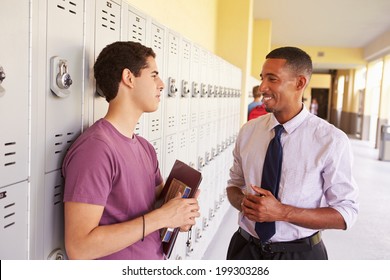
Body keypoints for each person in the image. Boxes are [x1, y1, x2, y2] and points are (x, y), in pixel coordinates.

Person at [62, 41, 200, 260]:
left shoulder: (145, 148)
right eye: (154, 75)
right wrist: (163, 217)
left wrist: (180, 213)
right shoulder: (95, 149)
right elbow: (79, 247)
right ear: (128, 78)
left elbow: (158, 208)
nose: (162, 84)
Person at [226, 46, 358, 260]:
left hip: (300, 255)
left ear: (300, 83)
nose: (262, 87)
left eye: (272, 79)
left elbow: (345, 213)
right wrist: (243, 203)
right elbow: (234, 185)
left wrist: (281, 212)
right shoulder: (249, 131)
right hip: (245, 250)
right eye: (262, 79)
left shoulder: (331, 140)